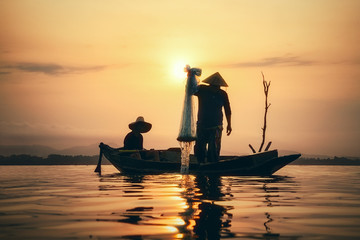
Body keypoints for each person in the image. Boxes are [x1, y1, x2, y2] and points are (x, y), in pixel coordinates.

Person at [192, 72, 232, 163]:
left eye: (218, 87)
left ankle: (212, 168)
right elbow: (191, 90)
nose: (216, 89)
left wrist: (229, 124)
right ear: (210, 85)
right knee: (199, 150)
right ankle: (200, 167)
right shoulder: (202, 89)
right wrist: (191, 77)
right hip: (202, 125)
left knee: (213, 151)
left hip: (216, 127)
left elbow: (228, 110)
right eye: (214, 86)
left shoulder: (223, 94)